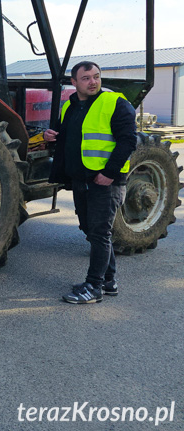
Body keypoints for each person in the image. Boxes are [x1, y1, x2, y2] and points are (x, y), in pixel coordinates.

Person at [44, 61, 137, 304]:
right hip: (81, 178)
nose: (93, 82)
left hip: (105, 181)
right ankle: (108, 280)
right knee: (91, 230)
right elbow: (70, 137)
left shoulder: (115, 103)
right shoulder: (70, 105)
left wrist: (110, 172)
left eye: (96, 76)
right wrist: (50, 135)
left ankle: (94, 287)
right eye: (86, 78)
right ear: (74, 83)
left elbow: (128, 141)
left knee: (100, 232)